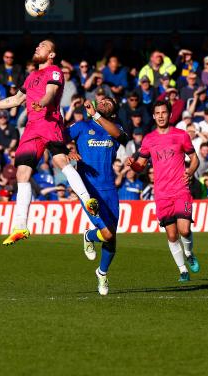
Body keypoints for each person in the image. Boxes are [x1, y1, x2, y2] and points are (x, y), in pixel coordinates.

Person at [0, 40, 101, 245]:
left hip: (50, 122)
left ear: (51, 55)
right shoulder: (30, 76)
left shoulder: (54, 71)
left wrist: (43, 102)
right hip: (31, 128)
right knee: (22, 173)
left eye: (43, 45)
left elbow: (51, 93)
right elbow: (14, 100)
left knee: (60, 161)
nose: (38, 47)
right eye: (38, 45)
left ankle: (87, 199)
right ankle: (21, 226)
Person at [126, 100, 200, 282]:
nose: (160, 116)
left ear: (169, 115)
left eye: (164, 112)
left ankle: (189, 253)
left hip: (181, 189)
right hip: (162, 193)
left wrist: (190, 171)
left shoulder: (181, 135)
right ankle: (183, 270)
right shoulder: (149, 139)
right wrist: (133, 165)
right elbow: (141, 166)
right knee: (172, 234)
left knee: (184, 230)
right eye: (157, 113)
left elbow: (194, 158)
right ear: (153, 116)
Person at [67, 98, 126, 295]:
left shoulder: (115, 128)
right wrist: (69, 151)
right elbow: (57, 141)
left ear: (114, 111)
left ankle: (102, 273)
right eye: (103, 101)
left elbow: (120, 135)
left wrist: (96, 115)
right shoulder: (82, 126)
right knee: (107, 233)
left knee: (112, 239)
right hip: (88, 190)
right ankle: (89, 235)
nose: (105, 102)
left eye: (110, 102)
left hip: (109, 189)